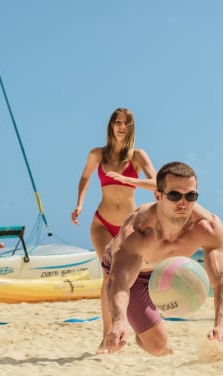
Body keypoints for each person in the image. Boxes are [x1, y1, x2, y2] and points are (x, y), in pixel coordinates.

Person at [100, 161, 223, 356]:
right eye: (174, 195)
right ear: (158, 195)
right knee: (158, 347)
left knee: (160, 346)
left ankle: (142, 324)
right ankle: (139, 329)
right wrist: (119, 320)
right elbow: (119, 279)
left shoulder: (207, 227)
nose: (183, 203)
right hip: (133, 274)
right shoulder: (139, 229)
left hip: (166, 270)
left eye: (191, 196)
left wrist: (222, 325)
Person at [71, 107, 158, 344]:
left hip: (129, 228)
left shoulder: (138, 156)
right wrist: (79, 204)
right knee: (109, 277)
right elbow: (85, 177)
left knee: (135, 278)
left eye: (126, 123)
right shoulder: (97, 154)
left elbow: (157, 183)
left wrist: (128, 179)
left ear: (131, 128)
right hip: (102, 223)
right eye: (117, 122)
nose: (121, 126)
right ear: (110, 125)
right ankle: (106, 335)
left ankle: (140, 328)